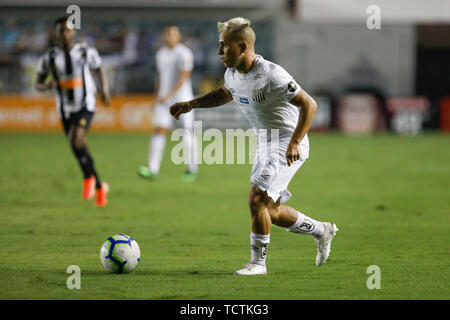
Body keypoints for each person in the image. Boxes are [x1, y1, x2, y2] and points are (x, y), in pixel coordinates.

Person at [170, 17, 338, 275]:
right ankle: (322, 230)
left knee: (256, 198)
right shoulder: (232, 74)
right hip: (265, 144)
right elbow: (225, 93)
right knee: (271, 210)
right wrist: (191, 104)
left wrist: (294, 141)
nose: (219, 52)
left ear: (243, 46)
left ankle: (258, 264)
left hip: (286, 142)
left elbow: (310, 104)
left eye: (224, 46)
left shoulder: (272, 74)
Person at [35, 16, 110, 207]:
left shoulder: (85, 51)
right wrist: (48, 85)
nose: (65, 34)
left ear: (73, 32)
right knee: (77, 146)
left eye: (68, 30)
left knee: (77, 139)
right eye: (61, 30)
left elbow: (99, 69)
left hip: (86, 104)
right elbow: (38, 83)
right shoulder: (50, 57)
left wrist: (105, 90)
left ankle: (88, 179)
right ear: (56, 33)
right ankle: (100, 186)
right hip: (65, 109)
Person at [138, 25, 198, 182]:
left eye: (172, 34)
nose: (168, 37)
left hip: (182, 99)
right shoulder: (161, 54)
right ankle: (152, 169)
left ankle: (191, 169)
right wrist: (156, 95)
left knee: (186, 132)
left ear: (178, 37)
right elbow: (161, 77)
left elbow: (184, 77)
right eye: (166, 34)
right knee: (159, 130)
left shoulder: (184, 53)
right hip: (163, 100)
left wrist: (169, 95)